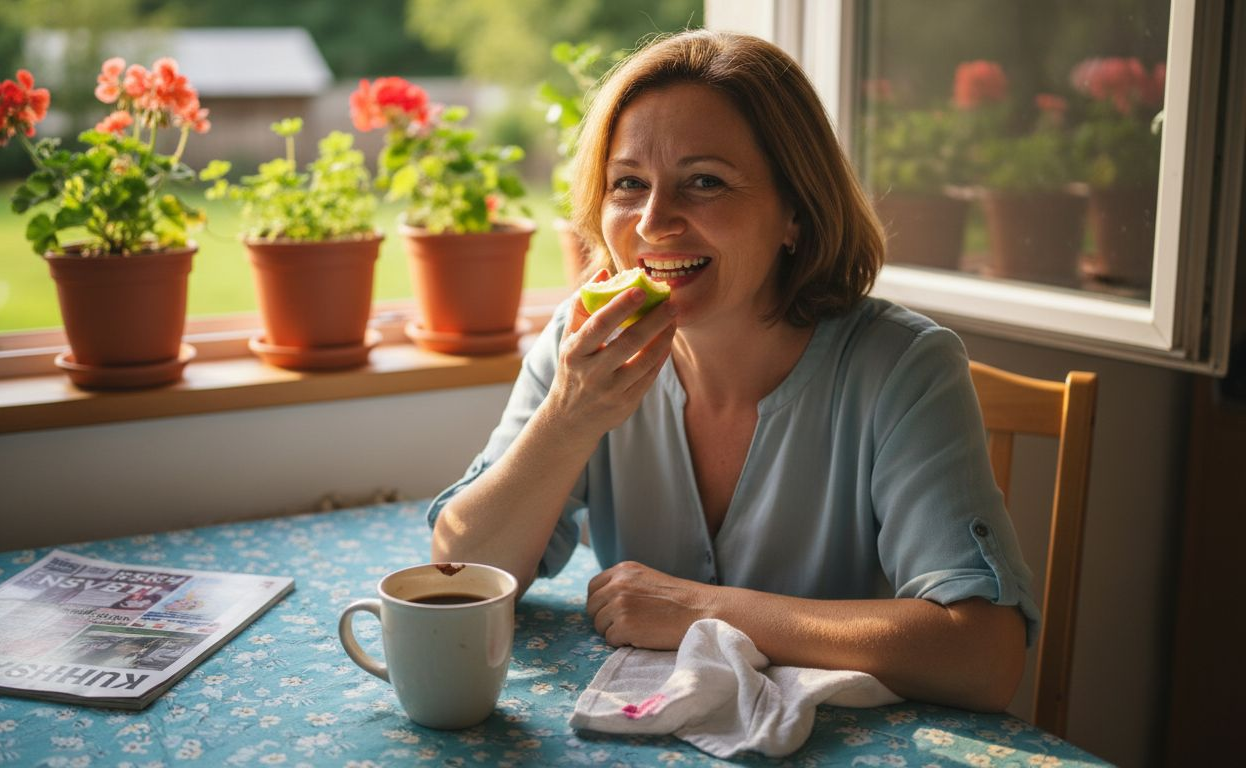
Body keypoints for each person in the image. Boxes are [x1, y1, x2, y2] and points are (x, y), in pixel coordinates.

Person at [428, 29, 1036, 713]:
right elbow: (461, 568)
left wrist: (702, 610)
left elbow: (985, 654)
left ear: (796, 215)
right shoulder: (584, 343)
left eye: (705, 182)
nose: (655, 222)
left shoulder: (902, 368)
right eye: (629, 183)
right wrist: (569, 417)